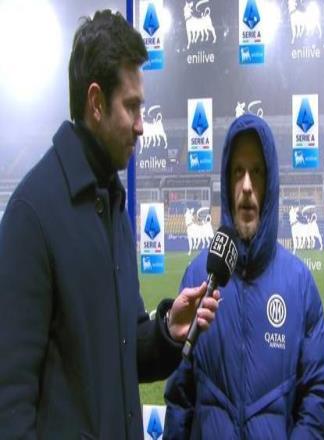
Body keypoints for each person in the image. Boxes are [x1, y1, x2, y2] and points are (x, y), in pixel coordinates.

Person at [0, 10, 220, 439]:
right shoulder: (32, 213)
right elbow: (8, 400)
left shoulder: (113, 205)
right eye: (131, 107)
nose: (141, 126)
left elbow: (122, 349)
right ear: (96, 103)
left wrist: (167, 331)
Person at [164, 113, 324, 438]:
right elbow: (179, 399)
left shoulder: (299, 283)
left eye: (256, 172)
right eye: (238, 172)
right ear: (227, 184)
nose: (246, 186)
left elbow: (318, 396)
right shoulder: (198, 277)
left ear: (270, 185)